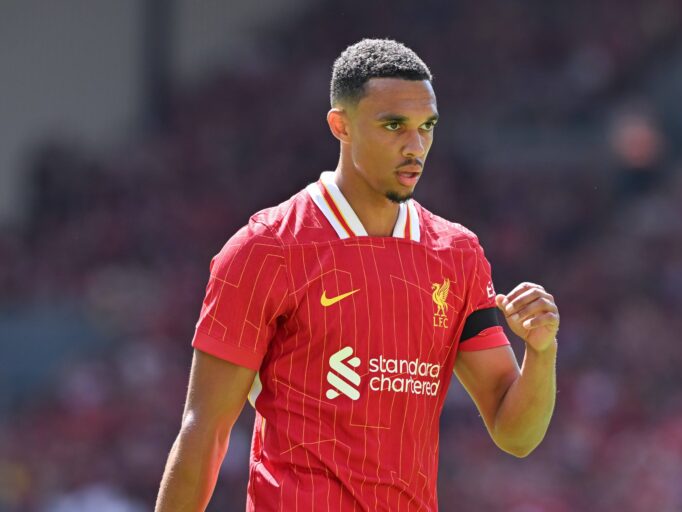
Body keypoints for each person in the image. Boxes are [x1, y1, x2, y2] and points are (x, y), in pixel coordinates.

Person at [155, 38, 559, 512]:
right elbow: (203, 430)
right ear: (340, 125)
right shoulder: (266, 248)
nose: (416, 146)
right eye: (394, 126)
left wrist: (542, 350)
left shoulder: (458, 254)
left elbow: (517, 434)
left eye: (427, 127)